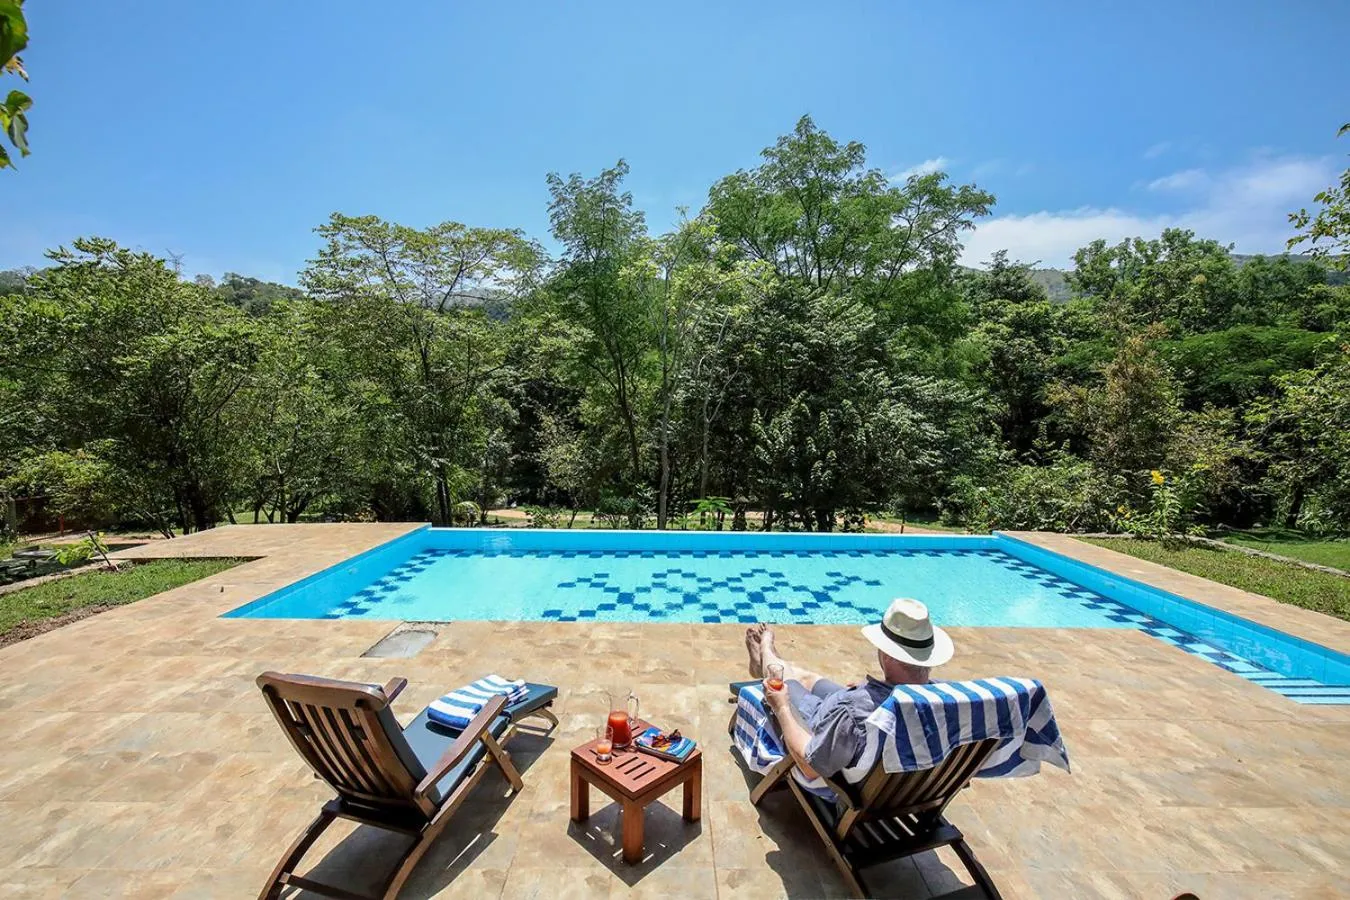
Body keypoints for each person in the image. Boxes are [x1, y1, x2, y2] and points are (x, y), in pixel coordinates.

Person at [745, 598, 954, 782]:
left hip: (828, 722)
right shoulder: (947, 699)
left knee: (784, 680)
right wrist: (863, 691)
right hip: (903, 779)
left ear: (888, 656)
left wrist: (781, 707)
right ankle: (767, 659)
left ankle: (765, 650)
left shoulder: (852, 710)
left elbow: (810, 767)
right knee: (808, 678)